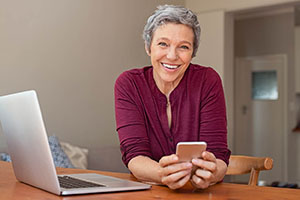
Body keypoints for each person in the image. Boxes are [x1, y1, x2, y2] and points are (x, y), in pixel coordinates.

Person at [114, 5, 230, 190]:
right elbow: (134, 156)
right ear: (148, 47)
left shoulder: (208, 81)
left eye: (183, 47)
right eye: (163, 44)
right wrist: (162, 175)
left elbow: (219, 155)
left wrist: (213, 172)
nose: (172, 55)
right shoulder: (129, 84)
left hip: (199, 194)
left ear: (193, 52)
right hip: (150, 192)